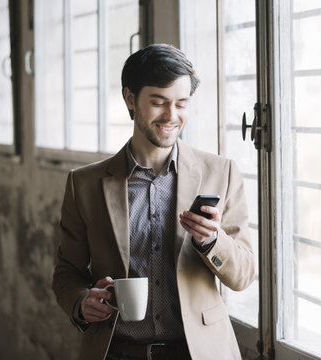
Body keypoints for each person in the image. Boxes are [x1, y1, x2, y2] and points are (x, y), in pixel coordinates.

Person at [52, 43, 255, 360]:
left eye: (181, 104)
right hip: (116, 351)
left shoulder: (222, 173)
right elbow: (67, 272)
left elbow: (243, 275)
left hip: (200, 352)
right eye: (159, 103)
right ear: (130, 99)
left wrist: (213, 241)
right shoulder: (84, 185)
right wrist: (81, 302)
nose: (171, 116)